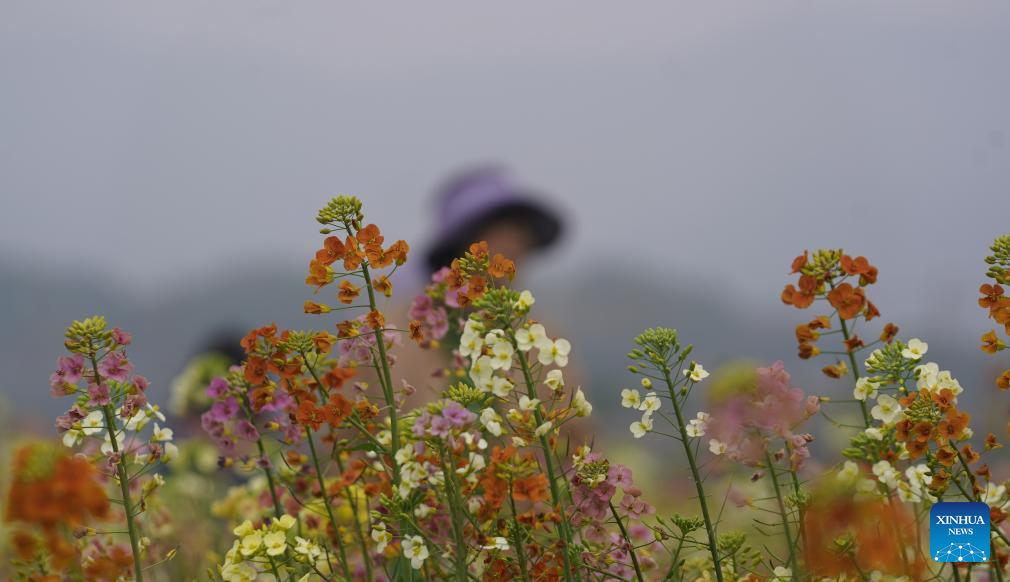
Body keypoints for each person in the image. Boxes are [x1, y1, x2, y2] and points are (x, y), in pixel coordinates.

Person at [423, 164, 564, 276]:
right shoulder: (414, 310)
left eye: (524, 243)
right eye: (508, 237)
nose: (517, 252)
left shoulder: (520, 311)